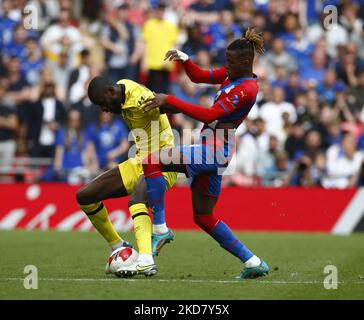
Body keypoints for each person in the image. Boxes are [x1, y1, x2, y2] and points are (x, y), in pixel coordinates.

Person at [126, 28, 270, 279]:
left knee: (152, 161)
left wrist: (170, 101)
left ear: (245, 63)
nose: (226, 66)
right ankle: (253, 262)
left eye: (231, 62)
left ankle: (159, 228)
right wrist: (186, 60)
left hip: (216, 149)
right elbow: (199, 76)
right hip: (212, 147)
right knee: (204, 216)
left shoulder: (247, 88)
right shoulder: (232, 74)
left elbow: (210, 115)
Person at [76, 76, 178, 276]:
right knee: (85, 196)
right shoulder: (122, 90)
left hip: (164, 163)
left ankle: (146, 260)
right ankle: (117, 245)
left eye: (103, 104)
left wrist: (169, 102)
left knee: (136, 201)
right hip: (140, 161)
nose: (104, 110)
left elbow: (172, 107)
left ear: (111, 92)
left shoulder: (141, 99)